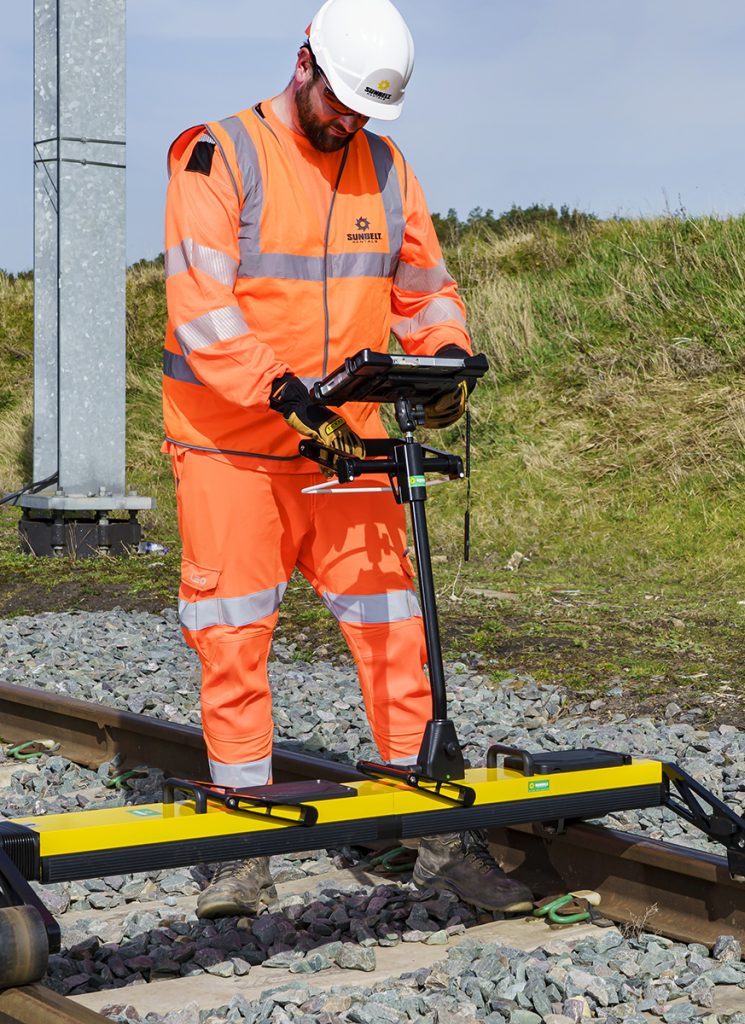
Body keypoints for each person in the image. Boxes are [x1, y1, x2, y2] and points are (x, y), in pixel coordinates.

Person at [162, 0, 533, 919]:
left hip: (350, 444)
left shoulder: (386, 165)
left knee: (394, 631)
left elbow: (425, 288)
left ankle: (435, 834)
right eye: (342, 106)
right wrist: (282, 388)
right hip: (234, 447)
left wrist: (444, 359)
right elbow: (203, 310)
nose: (352, 125)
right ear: (304, 64)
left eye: (370, 113)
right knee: (235, 635)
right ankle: (241, 842)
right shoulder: (216, 155)